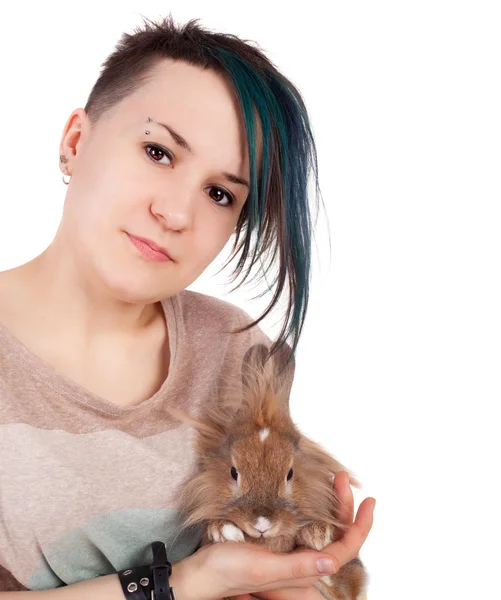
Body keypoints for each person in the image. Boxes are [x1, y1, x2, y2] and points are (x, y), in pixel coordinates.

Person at [0, 13, 375, 600]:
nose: (176, 214)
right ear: (76, 141)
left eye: (220, 193)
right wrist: (186, 582)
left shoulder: (234, 350)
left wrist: (306, 583)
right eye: (158, 151)